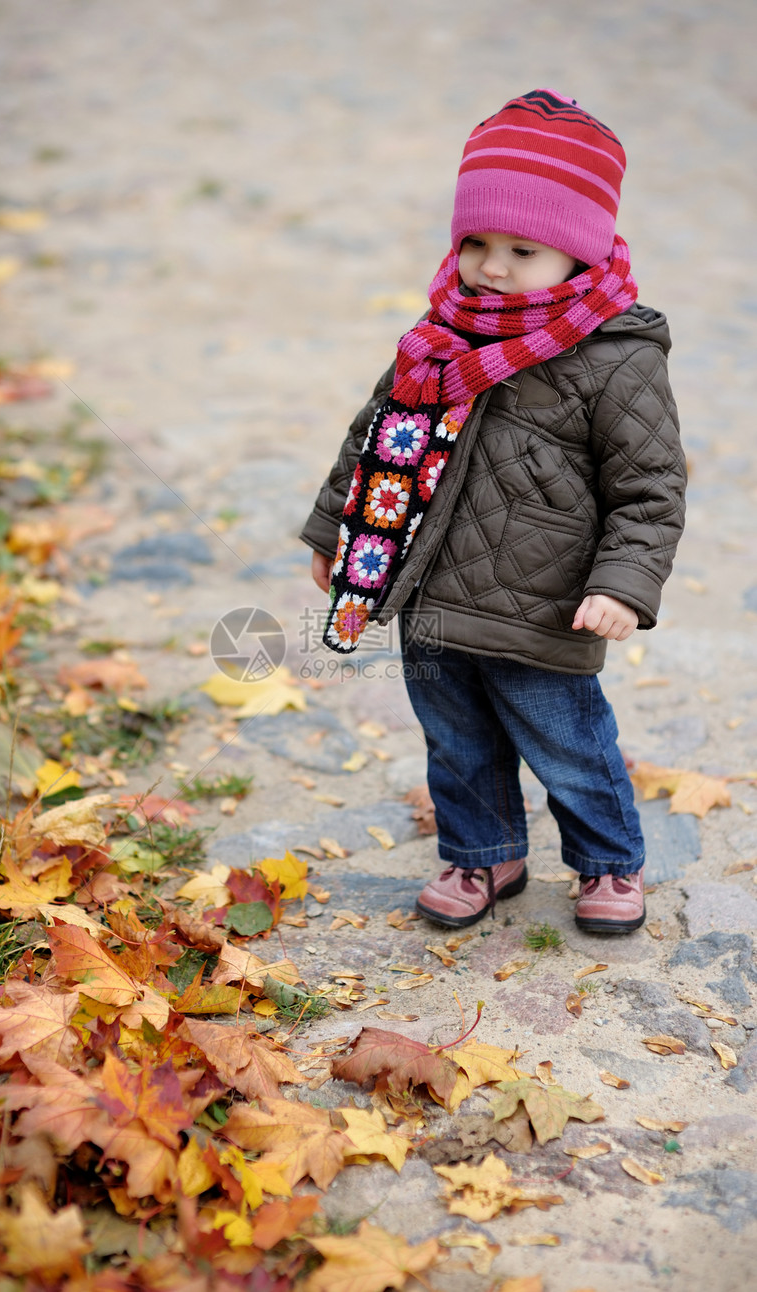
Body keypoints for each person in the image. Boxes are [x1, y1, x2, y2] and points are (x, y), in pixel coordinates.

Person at [300, 89, 686, 934]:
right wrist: (340, 527)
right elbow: (378, 434)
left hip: (545, 608)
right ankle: (483, 855)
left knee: (571, 749)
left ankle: (609, 862)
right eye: (475, 242)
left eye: (523, 249)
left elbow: (650, 490)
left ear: (579, 255)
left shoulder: (615, 360)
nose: (493, 267)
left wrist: (623, 584)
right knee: (458, 745)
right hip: (428, 595)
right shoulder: (441, 332)